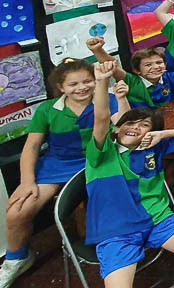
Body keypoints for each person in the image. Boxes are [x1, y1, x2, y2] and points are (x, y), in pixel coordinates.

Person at [0, 61, 130, 287]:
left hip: (98, 160)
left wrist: (121, 99)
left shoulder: (106, 99)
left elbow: (124, 126)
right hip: (57, 165)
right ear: (61, 87)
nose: (82, 87)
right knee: (17, 211)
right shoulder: (47, 109)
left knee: (111, 203)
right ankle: (17, 259)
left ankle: (118, 247)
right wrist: (27, 181)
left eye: (87, 81)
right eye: (73, 84)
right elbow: (31, 146)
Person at [85, 62, 174, 288]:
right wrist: (102, 82)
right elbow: (102, 118)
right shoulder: (102, 154)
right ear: (116, 128)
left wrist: (163, 134)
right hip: (117, 230)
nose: (135, 127)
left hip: (157, 218)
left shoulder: (153, 146)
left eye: (144, 125)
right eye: (129, 123)